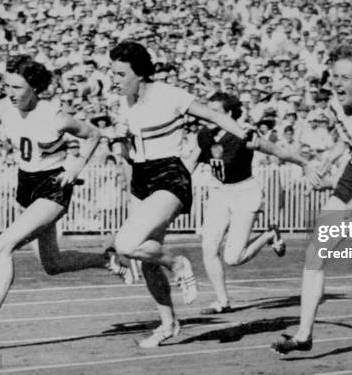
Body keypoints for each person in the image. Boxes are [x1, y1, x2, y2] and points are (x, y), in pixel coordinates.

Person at [106, 41, 262, 348]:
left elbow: (214, 117)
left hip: (169, 176)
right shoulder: (125, 101)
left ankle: (178, 264)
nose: (114, 79)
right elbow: (126, 146)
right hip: (141, 177)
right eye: (112, 73)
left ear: (140, 74)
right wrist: (118, 146)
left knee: (127, 243)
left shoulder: (169, 95)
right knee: (147, 256)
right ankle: (168, 324)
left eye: (120, 73)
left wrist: (244, 133)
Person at [0, 55, 104, 338]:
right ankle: (107, 260)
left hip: (54, 185)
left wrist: (77, 165)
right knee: (52, 264)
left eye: (17, 88)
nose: (10, 93)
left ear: (34, 88)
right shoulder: (7, 106)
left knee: (5, 244)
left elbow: (94, 134)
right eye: (8, 86)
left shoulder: (54, 116)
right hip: (26, 184)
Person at [271, 45, 352, 354]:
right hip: (351, 182)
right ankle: (303, 335)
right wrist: (326, 162)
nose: (338, 83)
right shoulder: (335, 104)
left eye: (346, 77)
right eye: (334, 76)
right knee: (315, 255)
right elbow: (347, 143)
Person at [192, 91, 316, 315]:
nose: (211, 117)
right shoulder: (203, 135)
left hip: (243, 193)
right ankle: (222, 301)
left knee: (233, 258)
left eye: (217, 112)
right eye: (209, 112)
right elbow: (189, 163)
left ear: (230, 114)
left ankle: (269, 235)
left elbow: (277, 150)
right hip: (218, 192)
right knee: (208, 247)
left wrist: (303, 163)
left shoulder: (243, 135)